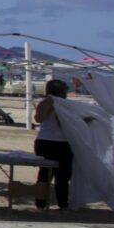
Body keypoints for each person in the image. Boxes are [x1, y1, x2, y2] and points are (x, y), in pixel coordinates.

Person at [31, 78, 76, 210]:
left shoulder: (66, 104)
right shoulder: (47, 102)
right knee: (45, 174)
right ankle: (41, 202)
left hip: (63, 142)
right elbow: (39, 118)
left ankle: (63, 203)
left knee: (63, 175)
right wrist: (51, 101)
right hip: (47, 142)